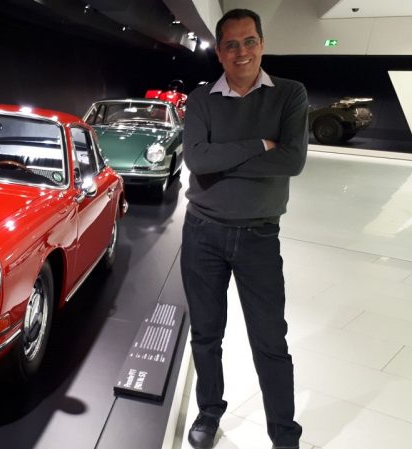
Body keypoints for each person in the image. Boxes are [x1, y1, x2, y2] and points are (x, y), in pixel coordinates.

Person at [181, 8, 307, 449]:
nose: (242, 52)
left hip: (259, 237)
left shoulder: (289, 94)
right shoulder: (201, 99)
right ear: (219, 52)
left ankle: (283, 432)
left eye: (249, 41)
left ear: (262, 43)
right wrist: (259, 145)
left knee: (270, 340)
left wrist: (221, 159)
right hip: (202, 234)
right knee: (205, 334)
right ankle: (209, 411)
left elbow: (292, 161)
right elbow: (196, 160)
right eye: (231, 44)